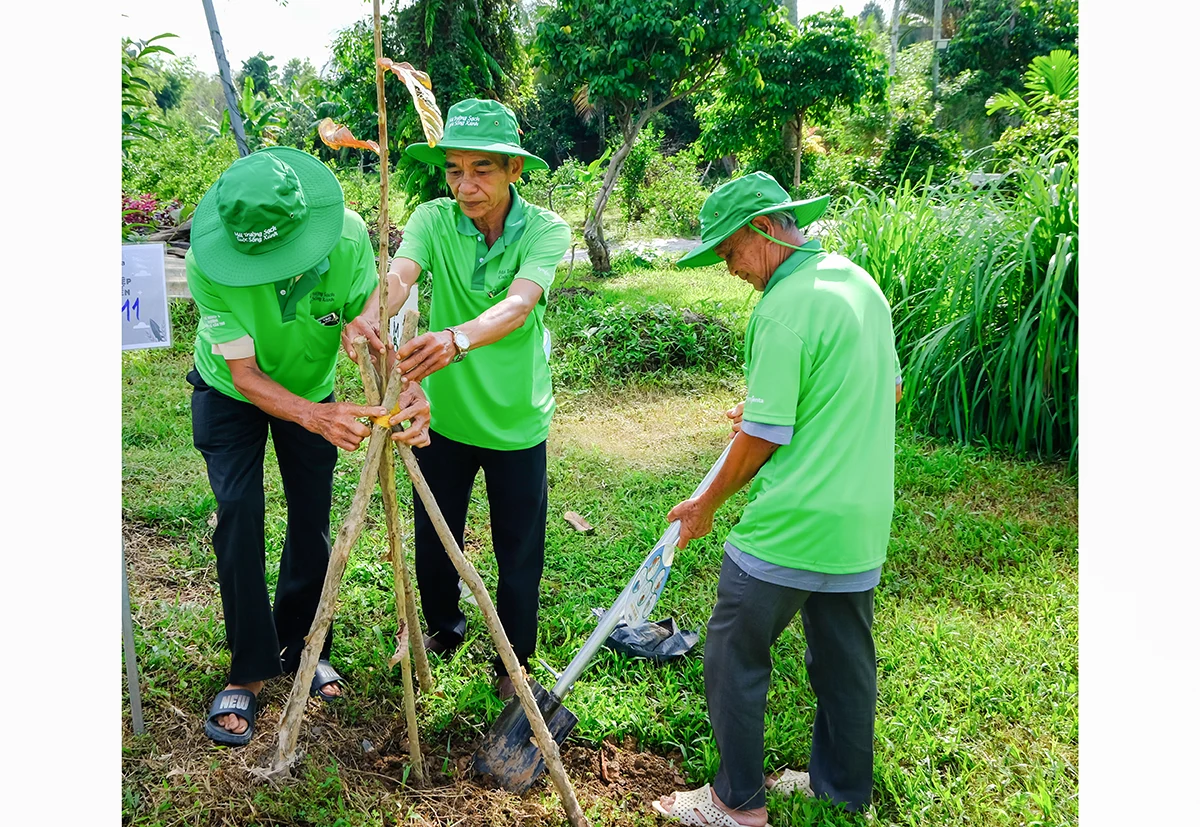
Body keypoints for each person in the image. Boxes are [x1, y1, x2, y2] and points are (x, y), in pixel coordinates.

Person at [652, 172, 900, 825]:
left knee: (733, 648)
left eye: (730, 252)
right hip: (861, 520)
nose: (730, 269)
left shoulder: (783, 307)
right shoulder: (858, 283)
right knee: (845, 661)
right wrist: (782, 410)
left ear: (765, 230)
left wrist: (704, 503)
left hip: (793, 520)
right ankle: (842, 788)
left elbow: (762, 436)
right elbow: (885, 391)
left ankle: (735, 801)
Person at [185, 146, 431, 746]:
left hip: (313, 387)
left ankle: (300, 645)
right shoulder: (208, 264)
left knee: (311, 518)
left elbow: (381, 312)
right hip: (229, 393)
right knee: (239, 512)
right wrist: (318, 419)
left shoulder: (347, 241)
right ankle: (249, 666)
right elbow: (245, 377)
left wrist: (374, 331)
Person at [353, 98, 570, 702]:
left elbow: (520, 303)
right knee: (434, 534)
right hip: (441, 418)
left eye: (482, 170)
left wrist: (456, 338)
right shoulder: (432, 219)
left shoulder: (547, 230)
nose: (466, 186)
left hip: (515, 420)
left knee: (518, 549)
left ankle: (513, 663)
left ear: (513, 172)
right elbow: (400, 274)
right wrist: (373, 314)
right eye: (454, 170)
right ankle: (444, 632)